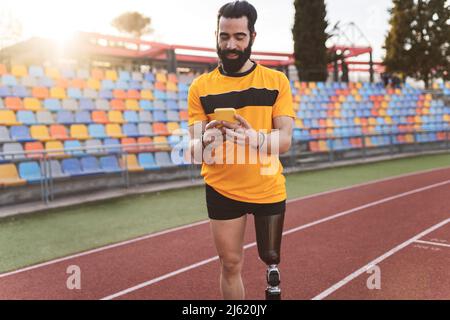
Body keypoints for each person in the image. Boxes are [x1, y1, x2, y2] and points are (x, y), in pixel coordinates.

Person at [187, 0, 295, 300]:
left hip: (267, 186)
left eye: (239, 36)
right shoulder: (200, 87)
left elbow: (285, 140)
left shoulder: (276, 82)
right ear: (216, 35)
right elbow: (194, 150)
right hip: (222, 188)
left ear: (252, 37)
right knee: (230, 263)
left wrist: (255, 139)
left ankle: (272, 279)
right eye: (224, 36)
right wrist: (205, 140)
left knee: (271, 257)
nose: (231, 44)